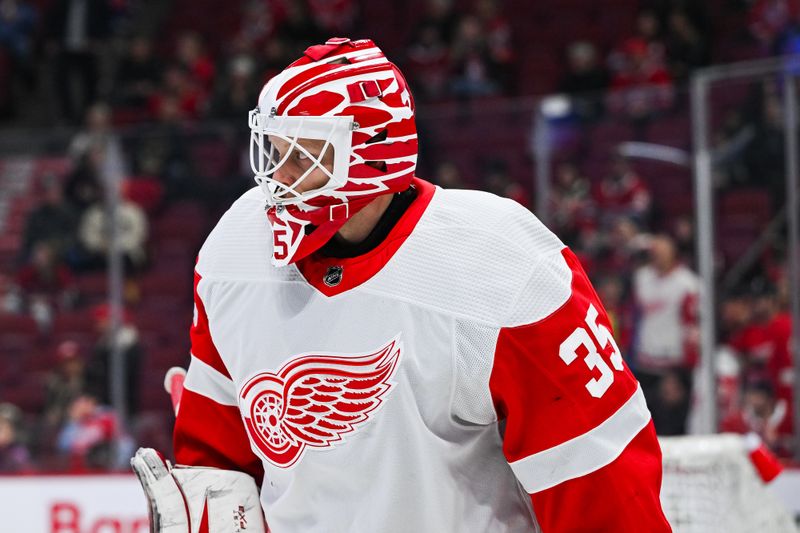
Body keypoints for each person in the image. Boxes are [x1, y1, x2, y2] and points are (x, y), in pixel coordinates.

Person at [133, 38, 670, 532]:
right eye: (276, 150)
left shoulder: (500, 263)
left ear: (371, 154)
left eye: (306, 155)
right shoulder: (235, 249)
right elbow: (218, 460)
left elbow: (598, 480)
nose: (281, 178)